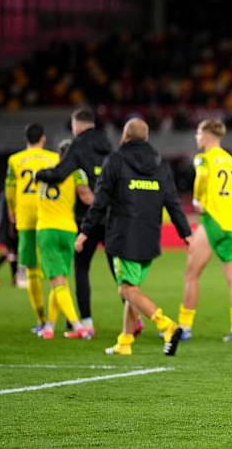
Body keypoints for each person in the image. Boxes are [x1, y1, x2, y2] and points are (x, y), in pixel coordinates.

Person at [75, 119, 192, 357]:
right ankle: (125, 341)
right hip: (150, 235)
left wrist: (85, 231)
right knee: (134, 288)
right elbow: (172, 200)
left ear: (125, 136)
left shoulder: (116, 160)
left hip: (122, 234)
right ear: (146, 138)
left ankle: (167, 326)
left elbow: (100, 200)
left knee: (127, 290)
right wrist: (185, 233)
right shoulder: (160, 163)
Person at [35, 108, 113, 337]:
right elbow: (93, 191)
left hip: (62, 225)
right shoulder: (104, 149)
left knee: (66, 276)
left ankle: (80, 324)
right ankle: (134, 318)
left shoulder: (60, 172)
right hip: (89, 223)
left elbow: (60, 180)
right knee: (119, 271)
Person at [178, 119, 232, 342]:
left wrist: (197, 199)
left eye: (199, 133)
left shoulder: (203, 158)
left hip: (211, 221)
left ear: (207, 135)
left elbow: (202, 179)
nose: (197, 137)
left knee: (191, 275)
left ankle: (185, 327)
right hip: (231, 225)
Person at [35, 140, 95, 340]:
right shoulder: (77, 173)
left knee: (57, 281)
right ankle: (50, 327)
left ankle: (78, 326)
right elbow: (86, 197)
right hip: (68, 230)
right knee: (60, 281)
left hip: (47, 230)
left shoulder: (44, 173)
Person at [5, 124, 59, 332]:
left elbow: (9, 189)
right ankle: (64, 317)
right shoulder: (54, 158)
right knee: (57, 269)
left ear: (26, 138)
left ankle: (41, 319)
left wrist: (12, 212)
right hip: (50, 215)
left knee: (32, 271)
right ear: (43, 139)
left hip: (26, 218)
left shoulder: (15, 160)